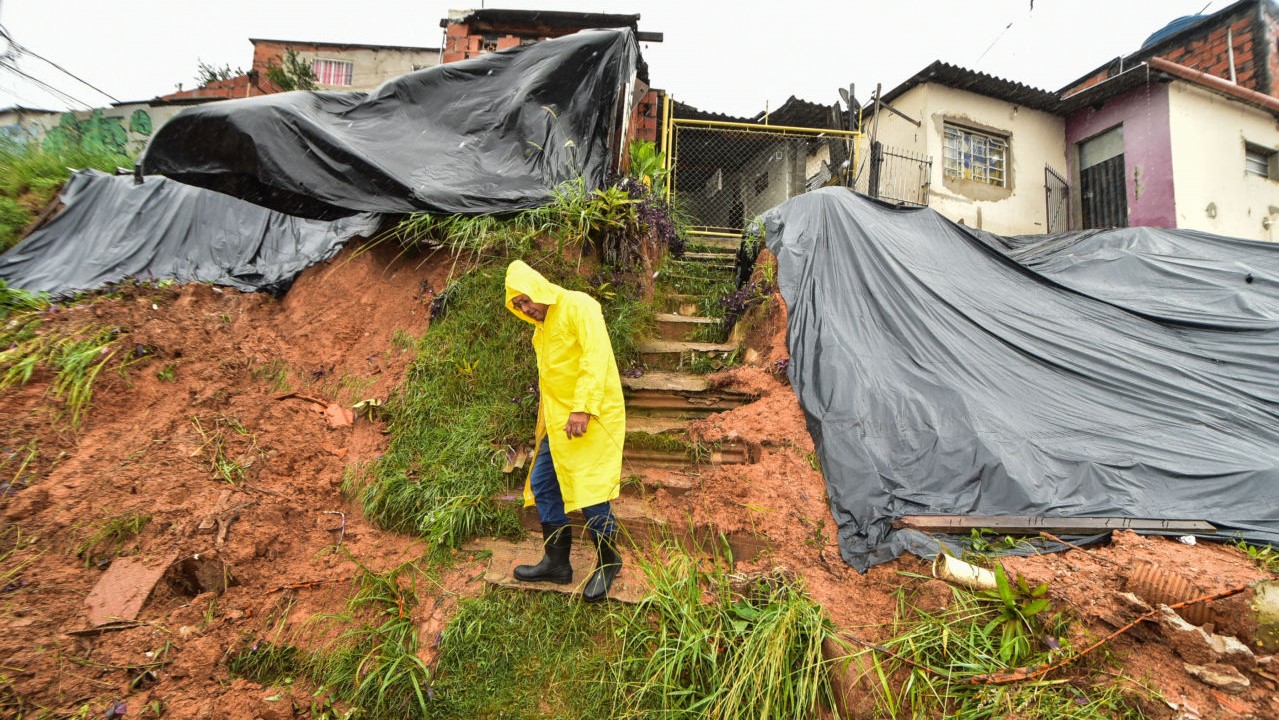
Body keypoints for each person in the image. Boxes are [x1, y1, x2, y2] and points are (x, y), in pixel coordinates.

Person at [504, 259, 625, 602]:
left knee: (589, 491)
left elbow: (595, 357)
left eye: (526, 300)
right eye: (518, 306)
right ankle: (557, 563)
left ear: (540, 288)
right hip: (560, 426)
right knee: (543, 483)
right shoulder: (540, 330)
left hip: (590, 418)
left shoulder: (579, 306)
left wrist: (582, 408)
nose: (525, 309)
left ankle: (609, 561)